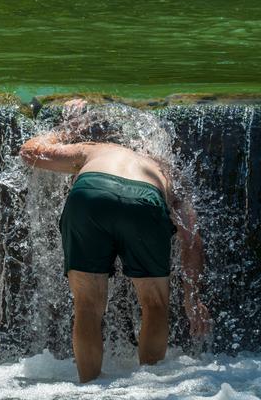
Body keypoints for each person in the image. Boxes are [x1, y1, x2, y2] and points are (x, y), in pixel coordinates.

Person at [19, 99, 211, 383]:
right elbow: (191, 239)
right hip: (146, 199)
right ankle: (148, 386)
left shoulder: (98, 149)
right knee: (155, 304)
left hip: (92, 192)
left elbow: (30, 152)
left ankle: (89, 387)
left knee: (87, 306)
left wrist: (68, 128)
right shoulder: (168, 170)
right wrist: (192, 297)